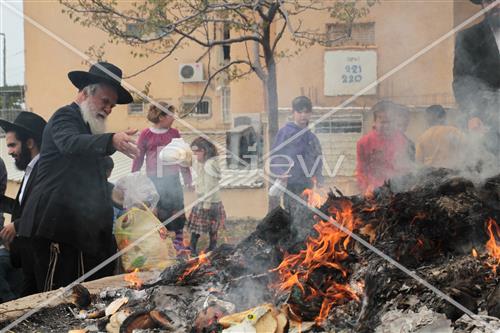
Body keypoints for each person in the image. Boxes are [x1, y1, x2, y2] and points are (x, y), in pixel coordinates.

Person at [20, 62, 139, 292]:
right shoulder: (65, 117)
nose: (107, 109)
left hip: (78, 232)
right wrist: (111, 140)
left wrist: (119, 196)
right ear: (85, 93)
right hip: (53, 227)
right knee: (56, 303)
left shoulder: (89, 130)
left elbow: (88, 181)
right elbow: (70, 143)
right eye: (105, 101)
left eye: (112, 106)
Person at [131, 102, 192, 253]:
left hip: (172, 178)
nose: (174, 118)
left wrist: (188, 179)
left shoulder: (174, 134)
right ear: (162, 117)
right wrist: (134, 177)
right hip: (153, 179)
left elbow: (183, 156)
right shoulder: (146, 134)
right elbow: (138, 157)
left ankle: (178, 242)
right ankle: (160, 244)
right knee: (157, 211)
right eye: (171, 115)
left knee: (176, 209)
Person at [0, 112, 47, 298]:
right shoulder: (30, 169)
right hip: (26, 258)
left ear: (29, 143)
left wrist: (16, 226)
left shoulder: (44, 170)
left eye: (12, 145)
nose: (9, 151)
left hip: (40, 261)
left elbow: (46, 209)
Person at [453, 0, 500, 157]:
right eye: (488, 1)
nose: (495, 5)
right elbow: (462, 80)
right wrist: (473, 115)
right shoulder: (468, 37)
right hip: (489, 128)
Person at [270, 96, 323, 211]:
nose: (303, 115)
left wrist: (319, 177)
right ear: (293, 113)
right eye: (299, 112)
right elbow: (275, 156)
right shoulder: (285, 133)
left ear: (310, 114)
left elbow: (318, 158)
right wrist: (280, 172)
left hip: (307, 185)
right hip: (291, 185)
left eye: (306, 112)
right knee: (293, 219)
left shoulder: (311, 137)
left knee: (307, 218)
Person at [356, 100, 412, 193]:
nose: (386, 125)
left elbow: (406, 169)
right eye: (382, 121)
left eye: (389, 121)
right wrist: (366, 186)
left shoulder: (403, 141)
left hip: (397, 191)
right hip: (373, 191)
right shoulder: (364, 142)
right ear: (375, 122)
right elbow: (361, 170)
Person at [186, 137, 226, 255]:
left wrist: (206, 203)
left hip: (207, 202)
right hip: (213, 201)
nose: (195, 156)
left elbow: (210, 186)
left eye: (196, 152)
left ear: (204, 151)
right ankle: (211, 248)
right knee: (212, 227)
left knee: (197, 228)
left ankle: (193, 249)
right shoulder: (206, 163)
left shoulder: (209, 165)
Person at [415, 105, 465, 169]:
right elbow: (467, 149)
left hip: (430, 174)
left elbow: (419, 162)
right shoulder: (454, 131)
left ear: (428, 119)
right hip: (451, 173)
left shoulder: (422, 137)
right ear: (444, 117)